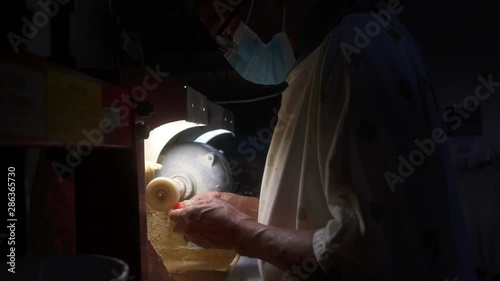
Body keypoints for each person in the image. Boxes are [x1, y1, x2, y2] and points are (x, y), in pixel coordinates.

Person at [170, 0, 478, 280]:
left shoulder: (356, 50)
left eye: (226, 26)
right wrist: (241, 208)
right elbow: (337, 210)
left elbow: (367, 255)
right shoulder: (323, 58)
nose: (231, 46)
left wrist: (239, 232)